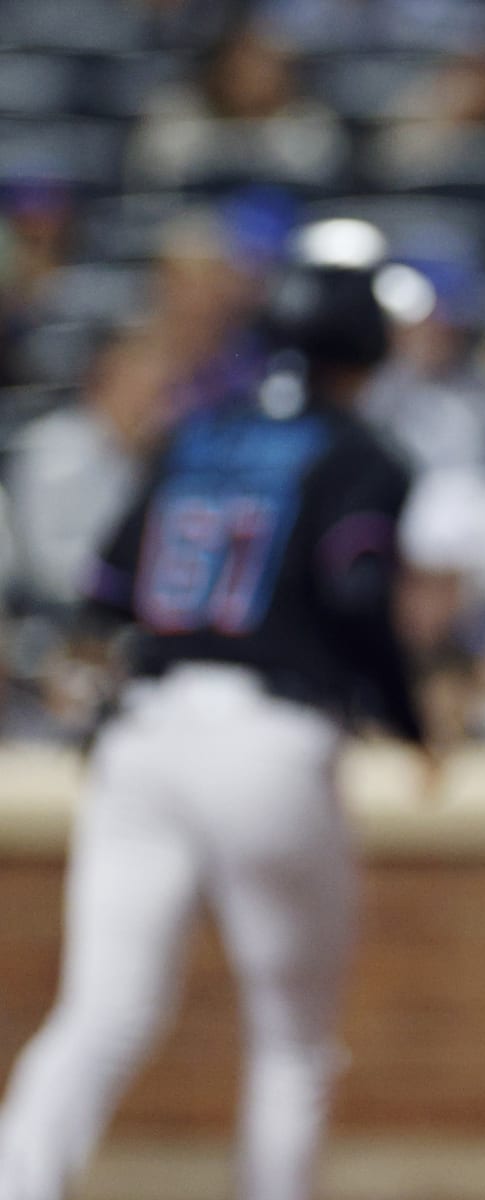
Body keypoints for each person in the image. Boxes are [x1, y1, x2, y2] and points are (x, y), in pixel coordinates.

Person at [0, 219, 425, 1200]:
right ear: (366, 351)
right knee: (292, 1038)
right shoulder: (364, 452)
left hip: (143, 729)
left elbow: (105, 586)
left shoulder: (193, 431)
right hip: (269, 735)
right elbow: (358, 598)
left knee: (100, 1016)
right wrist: (407, 718)